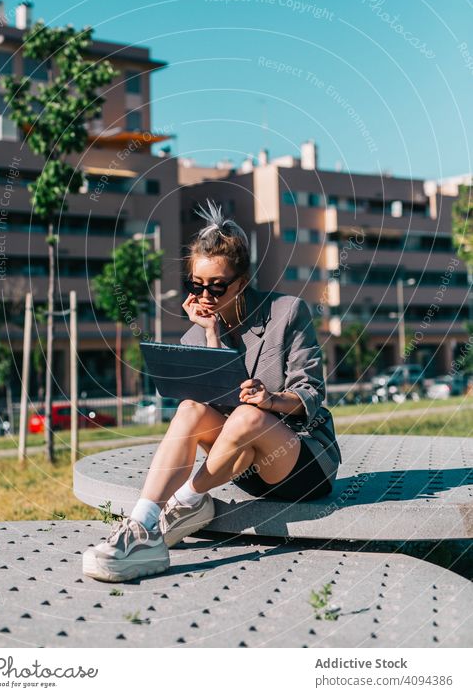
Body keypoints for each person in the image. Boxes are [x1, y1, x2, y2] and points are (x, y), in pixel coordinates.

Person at [82, 200, 342, 583]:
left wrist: (270, 401)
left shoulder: (287, 312)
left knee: (249, 416)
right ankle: (142, 523)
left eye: (217, 286)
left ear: (243, 280)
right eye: (196, 285)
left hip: (301, 463)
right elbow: (214, 405)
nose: (206, 296)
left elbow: (312, 392)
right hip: (242, 465)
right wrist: (209, 334)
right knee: (189, 409)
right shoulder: (198, 332)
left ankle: (186, 500)